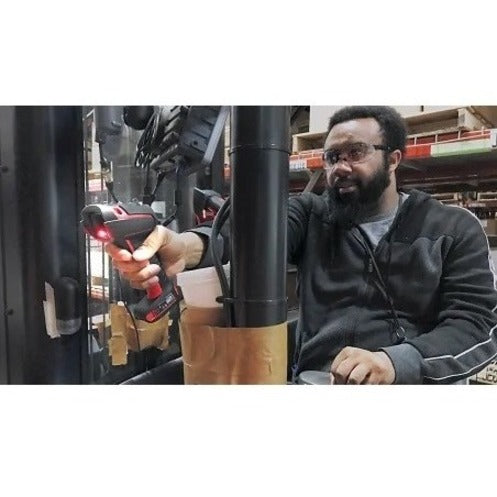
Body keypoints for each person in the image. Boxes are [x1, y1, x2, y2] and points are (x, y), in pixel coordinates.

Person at [106, 106, 497, 384]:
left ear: (393, 159)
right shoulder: (313, 215)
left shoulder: (450, 228)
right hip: (315, 385)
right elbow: (250, 238)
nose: (339, 167)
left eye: (355, 153)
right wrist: (186, 246)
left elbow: (476, 327)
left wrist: (397, 363)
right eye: (331, 157)